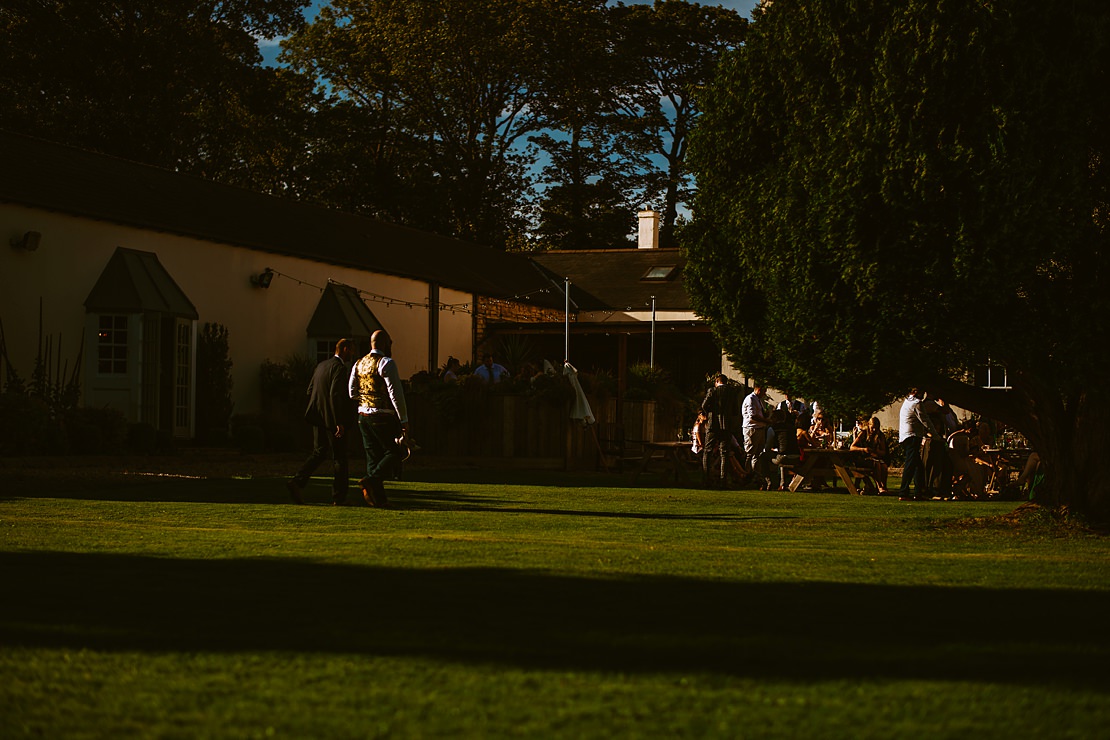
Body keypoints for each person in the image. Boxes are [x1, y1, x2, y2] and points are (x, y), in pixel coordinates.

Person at [287, 338, 357, 505]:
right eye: (352, 350)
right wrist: (338, 421)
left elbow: (311, 390)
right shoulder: (339, 368)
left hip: (318, 416)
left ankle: (297, 481)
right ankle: (339, 496)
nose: (353, 354)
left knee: (319, 452)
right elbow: (335, 395)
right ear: (345, 349)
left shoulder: (321, 366)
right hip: (331, 418)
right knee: (339, 457)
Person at [349, 329, 409, 508]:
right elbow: (395, 393)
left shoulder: (358, 363)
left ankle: (378, 499)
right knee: (396, 452)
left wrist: (365, 399)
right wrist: (404, 419)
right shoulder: (387, 363)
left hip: (362, 416)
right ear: (385, 343)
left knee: (373, 457)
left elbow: (352, 392)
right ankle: (371, 480)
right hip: (382, 415)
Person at [898, 388, 937, 501]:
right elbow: (925, 420)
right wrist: (935, 435)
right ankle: (903, 492)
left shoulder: (907, 402)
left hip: (907, 436)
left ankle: (918, 492)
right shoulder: (916, 403)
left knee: (917, 466)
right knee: (910, 465)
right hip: (912, 436)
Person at [701, 374, 733, 488]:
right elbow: (735, 409)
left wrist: (710, 413)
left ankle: (707, 479)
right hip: (726, 425)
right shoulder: (731, 392)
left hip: (713, 424)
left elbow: (704, 405)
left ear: (716, 381)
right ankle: (723, 480)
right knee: (724, 452)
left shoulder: (713, 391)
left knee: (707, 451)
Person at [742, 383, 772, 490]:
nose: (764, 394)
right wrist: (766, 420)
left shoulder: (758, 400)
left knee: (758, 454)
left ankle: (756, 476)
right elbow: (752, 416)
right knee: (749, 453)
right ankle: (746, 476)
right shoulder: (750, 399)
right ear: (758, 389)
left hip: (759, 428)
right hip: (752, 428)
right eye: (763, 391)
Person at [850, 416, 890, 494]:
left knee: (884, 466)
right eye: (872, 428)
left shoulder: (880, 435)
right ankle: (879, 486)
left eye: (876, 428)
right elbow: (852, 447)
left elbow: (883, 452)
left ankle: (884, 486)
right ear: (869, 425)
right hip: (863, 458)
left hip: (875, 457)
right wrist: (864, 449)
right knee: (877, 464)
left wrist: (877, 451)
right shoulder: (864, 433)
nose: (874, 430)